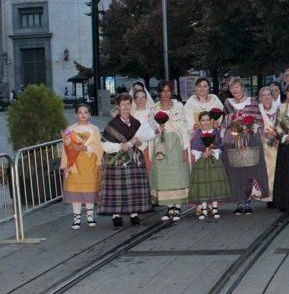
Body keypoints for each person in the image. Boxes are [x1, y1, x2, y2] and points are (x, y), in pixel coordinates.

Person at [98, 93, 155, 228]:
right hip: (116, 160)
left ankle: (134, 214)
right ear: (118, 106)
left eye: (128, 104)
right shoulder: (112, 124)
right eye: (122, 104)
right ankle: (116, 215)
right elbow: (104, 145)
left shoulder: (136, 123)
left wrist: (139, 142)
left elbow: (142, 143)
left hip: (134, 159)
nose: (125, 107)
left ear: (131, 105)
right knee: (117, 188)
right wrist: (120, 146)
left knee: (134, 188)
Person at [221, 77, 268, 215]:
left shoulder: (252, 102)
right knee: (236, 172)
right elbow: (224, 122)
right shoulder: (228, 103)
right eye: (231, 88)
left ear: (242, 88)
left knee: (249, 170)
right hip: (233, 140)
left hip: (250, 140)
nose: (234, 90)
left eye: (236, 87)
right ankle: (239, 201)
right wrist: (234, 124)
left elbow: (259, 121)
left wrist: (248, 126)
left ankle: (247, 201)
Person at [149, 80, 191, 221]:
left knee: (177, 173)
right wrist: (157, 129)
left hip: (176, 142)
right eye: (163, 91)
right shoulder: (154, 108)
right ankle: (169, 207)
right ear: (159, 93)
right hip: (161, 143)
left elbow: (184, 127)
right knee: (164, 174)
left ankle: (177, 207)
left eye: (168, 90)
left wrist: (185, 147)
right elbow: (150, 128)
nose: (166, 94)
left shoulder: (178, 107)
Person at [60, 104, 103, 229]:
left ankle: (90, 216)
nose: (83, 114)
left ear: (89, 114)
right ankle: (76, 217)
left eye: (86, 112)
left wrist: (86, 148)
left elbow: (98, 147)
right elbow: (65, 148)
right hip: (75, 165)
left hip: (90, 164)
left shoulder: (94, 129)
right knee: (76, 192)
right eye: (80, 112)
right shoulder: (70, 130)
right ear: (76, 114)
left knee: (89, 191)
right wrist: (66, 165)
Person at [188, 111, 230, 219]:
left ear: (211, 121)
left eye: (207, 120)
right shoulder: (198, 133)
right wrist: (202, 153)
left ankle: (215, 208)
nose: (205, 123)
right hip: (201, 161)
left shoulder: (215, 132)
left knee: (214, 183)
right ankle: (204, 209)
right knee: (203, 184)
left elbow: (220, 146)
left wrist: (212, 151)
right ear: (199, 122)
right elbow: (193, 148)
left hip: (214, 161)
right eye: (203, 120)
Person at [258, 87, 278, 202]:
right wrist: (264, 134)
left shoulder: (278, 109)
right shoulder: (258, 110)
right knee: (265, 171)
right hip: (263, 144)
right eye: (263, 95)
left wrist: (277, 135)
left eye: (268, 95)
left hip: (276, 144)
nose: (266, 97)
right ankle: (267, 195)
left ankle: (276, 195)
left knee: (276, 170)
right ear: (260, 97)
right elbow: (255, 126)